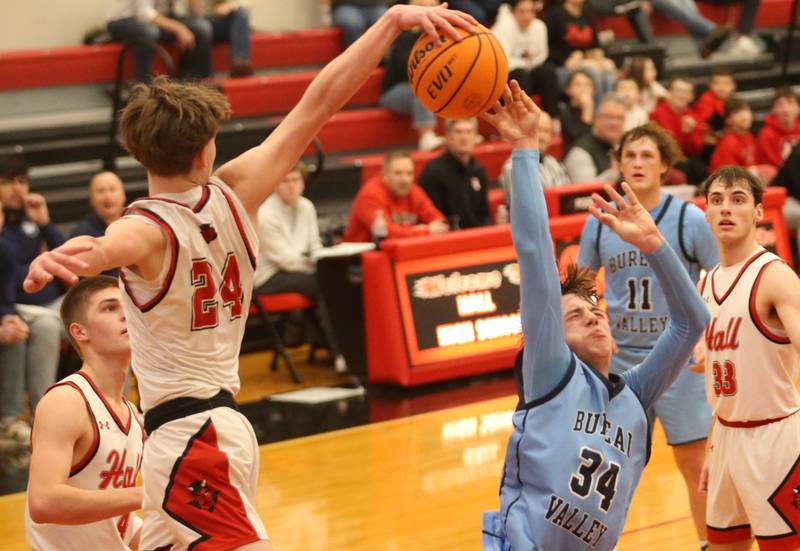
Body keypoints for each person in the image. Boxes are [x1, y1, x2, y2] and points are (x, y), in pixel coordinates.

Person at [23, 6, 475, 549]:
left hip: (191, 439)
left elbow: (105, 247)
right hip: (210, 431)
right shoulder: (239, 190)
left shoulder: (144, 228)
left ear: (137, 150)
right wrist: (391, 22)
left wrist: (72, 257)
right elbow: (320, 102)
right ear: (206, 149)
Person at [481, 81, 709, 551]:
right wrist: (525, 149)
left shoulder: (634, 395)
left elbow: (692, 322)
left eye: (594, 308)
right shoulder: (551, 374)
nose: (593, 317)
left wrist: (655, 245)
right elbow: (535, 252)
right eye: (574, 315)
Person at [578, 122, 719, 548]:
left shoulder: (687, 218)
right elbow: (581, 285)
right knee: (608, 470)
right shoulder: (600, 221)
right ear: (618, 164)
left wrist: (708, 336)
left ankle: (709, 543)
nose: (637, 163)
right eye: (630, 156)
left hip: (677, 360)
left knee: (695, 465)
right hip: (621, 362)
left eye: (647, 156)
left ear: (665, 166)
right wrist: (593, 327)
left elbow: (720, 277)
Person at [696, 166, 800, 550]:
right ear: (706, 211)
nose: (726, 208)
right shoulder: (706, 282)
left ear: (758, 212)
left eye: (738, 199)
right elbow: (720, 384)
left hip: (775, 439)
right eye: (717, 200)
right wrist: (714, 445)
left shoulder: (774, 276)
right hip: (726, 437)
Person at [25, 276, 145, 551]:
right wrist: (146, 495)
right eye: (110, 308)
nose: (126, 314)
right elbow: (43, 502)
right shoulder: (67, 401)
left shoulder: (131, 413)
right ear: (80, 332)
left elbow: (117, 525)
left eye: (128, 305)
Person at [253, 162, 347, 372]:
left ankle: (333, 345)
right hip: (267, 277)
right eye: (285, 181)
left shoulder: (306, 206)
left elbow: (314, 244)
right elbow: (285, 260)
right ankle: (340, 352)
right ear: (275, 185)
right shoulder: (265, 214)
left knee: (332, 279)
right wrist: (318, 268)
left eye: (296, 180)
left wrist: (323, 261)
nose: (292, 186)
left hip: (299, 270)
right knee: (322, 284)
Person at [0, 155, 63, 444]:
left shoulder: (31, 220)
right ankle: (25, 418)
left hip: (41, 305)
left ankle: (44, 416)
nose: (18, 189)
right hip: (15, 306)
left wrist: (46, 224)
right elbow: (9, 276)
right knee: (33, 328)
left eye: (22, 181)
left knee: (99, 307)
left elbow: (67, 259)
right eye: (9, 182)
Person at [379, 0, 446, 151]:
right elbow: (409, 71)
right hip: (394, 92)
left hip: (425, 88)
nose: (428, 13)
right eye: (423, 8)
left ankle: (462, 130)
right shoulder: (404, 37)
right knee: (422, 87)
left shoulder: (444, 36)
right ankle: (426, 136)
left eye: (432, 8)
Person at [343, 151, 449, 242]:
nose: (405, 180)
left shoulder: (414, 191)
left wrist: (431, 228)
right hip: (359, 256)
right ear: (384, 175)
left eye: (409, 173)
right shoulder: (371, 195)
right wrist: (424, 231)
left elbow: (440, 222)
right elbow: (385, 233)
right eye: (398, 173)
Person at [106, 0, 213, 83]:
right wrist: (178, 28)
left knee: (201, 28)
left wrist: (193, 5)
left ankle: (196, 83)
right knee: (149, 32)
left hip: (155, 21)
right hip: (122, 21)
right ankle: (143, 86)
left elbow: (189, 13)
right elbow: (144, 13)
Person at [418, 118, 491, 229]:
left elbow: (484, 212)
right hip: (449, 235)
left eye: (469, 132)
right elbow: (431, 216)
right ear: (448, 136)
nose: (464, 137)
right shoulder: (433, 172)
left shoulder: (478, 170)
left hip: (478, 233)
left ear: (475, 137)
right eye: (458, 132)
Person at [491, 0, 559, 117]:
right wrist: (525, 62)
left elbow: (542, 55)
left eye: (531, 11)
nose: (527, 16)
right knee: (520, 74)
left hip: (529, 69)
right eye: (522, 12)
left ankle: (551, 117)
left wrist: (526, 63)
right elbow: (503, 61)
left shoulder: (539, 26)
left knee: (548, 71)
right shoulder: (503, 27)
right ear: (513, 12)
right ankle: (523, 116)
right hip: (507, 75)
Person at [544, 0, 617, 105]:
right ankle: (596, 110)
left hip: (586, 59)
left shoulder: (587, 13)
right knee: (592, 71)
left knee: (609, 67)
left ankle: (609, 106)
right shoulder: (555, 15)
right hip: (561, 65)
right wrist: (565, 60)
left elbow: (595, 45)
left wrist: (599, 60)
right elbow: (547, 47)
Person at [500, 109, 570, 200]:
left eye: (546, 131)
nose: (542, 136)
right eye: (538, 130)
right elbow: (523, 203)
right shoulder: (513, 167)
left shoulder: (555, 164)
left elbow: (568, 197)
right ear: (526, 132)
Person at [650, 77, 708, 184]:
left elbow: (696, 149)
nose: (681, 95)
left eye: (686, 92)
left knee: (701, 169)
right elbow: (664, 148)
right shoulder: (656, 114)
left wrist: (688, 133)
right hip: (665, 159)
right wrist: (684, 134)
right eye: (678, 91)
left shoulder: (691, 115)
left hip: (687, 159)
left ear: (691, 97)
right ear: (669, 93)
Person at [563, 94, 626, 183]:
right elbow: (585, 189)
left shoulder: (619, 147)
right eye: (609, 117)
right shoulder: (579, 152)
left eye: (619, 118)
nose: (615, 123)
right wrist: (614, 173)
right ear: (596, 118)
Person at [199, 0, 254, 77]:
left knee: (241, 12)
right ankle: (240, 60)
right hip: (208, 20)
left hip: (228, 21)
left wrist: (230, 6)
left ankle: (240, 62)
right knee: (240, 20)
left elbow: (246, 2)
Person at [756, 86, 800, 169]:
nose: (785, 109)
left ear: (798, 108)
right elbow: (773, 168)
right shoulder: (766, 134)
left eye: (790, 102)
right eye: (780, 104)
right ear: (773, 110)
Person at [709, 97, 757, 173]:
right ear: (728, 120)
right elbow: (731, 176)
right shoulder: (728, 143)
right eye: (737, 113)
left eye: (746, 110)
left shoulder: (749, 136)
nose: (745, 116)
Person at [557, 69, 595, 151]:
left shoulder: (599, 113)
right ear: (568, 90)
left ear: (593, 90)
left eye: (587, 84)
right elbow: (581, 141)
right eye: (578, 84)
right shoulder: (563, 112)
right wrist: (587, 109)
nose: (583, 88)